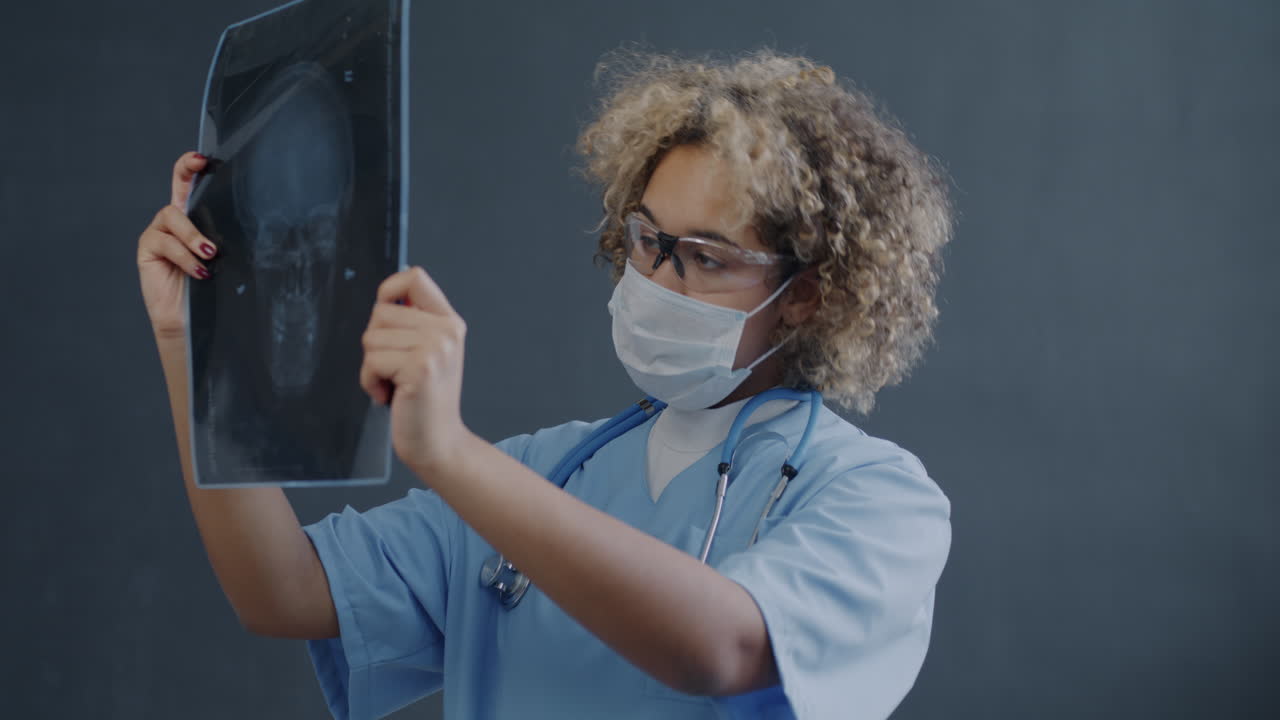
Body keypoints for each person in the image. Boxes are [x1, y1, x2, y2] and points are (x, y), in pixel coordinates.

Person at [136, 49, 954, 720]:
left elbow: (722, 648)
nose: (658, 281)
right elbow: (280, 592)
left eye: (706, 258)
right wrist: (196, 347)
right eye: (647, 240)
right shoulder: (546, 474)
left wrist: (450, 453)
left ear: (807, 295)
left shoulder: (877, 500)